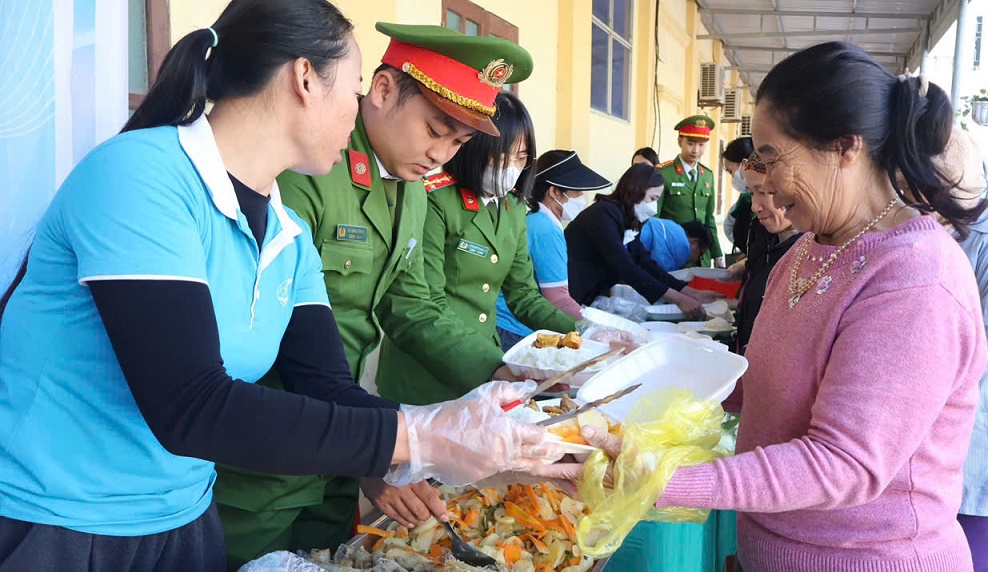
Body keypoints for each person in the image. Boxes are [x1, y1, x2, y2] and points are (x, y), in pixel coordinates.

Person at [0, 2, 570, 569]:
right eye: (352, 93)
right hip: (61, 524)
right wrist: (422, 437)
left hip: (182, 520)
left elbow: (324, 383)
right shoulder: (140, 177)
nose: (356, 116)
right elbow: (190, 406)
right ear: (304, 79)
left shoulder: (286, 230)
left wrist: (496, 444)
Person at [586, 42, 988, 571]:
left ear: (844, 148)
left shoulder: (914, 281)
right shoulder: (808, 250)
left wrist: (664, 477)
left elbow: (844, 463)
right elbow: (766, 386)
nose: (766, 184)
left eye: (773, 159)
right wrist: (646, 371)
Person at [211, 22, 536, 568]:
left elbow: (411, 306)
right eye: (435, 130)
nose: (440, 154)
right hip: (264, 453)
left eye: (457, 143)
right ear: (382, 90)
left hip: (345, 441)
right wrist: (373, 450)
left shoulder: (410, 189)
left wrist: (502, 370)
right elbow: (276, 330)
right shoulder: (305, 169)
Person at [375, 92, 578, 405]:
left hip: (487, 363)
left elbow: (523, 296)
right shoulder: (435, 200)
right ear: (472, 147)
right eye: (501, 158)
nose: (511, 168)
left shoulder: (512, 209)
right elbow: (425, 301)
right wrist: (491, 366)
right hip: (427, 368)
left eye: (521, 159)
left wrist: (582, 330)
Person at [933, 129, 988, 572]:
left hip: (983, 427)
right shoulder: (947, 237)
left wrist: (932, 378)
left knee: (978, 555)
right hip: (943, 429)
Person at [565, 163, 719, 317]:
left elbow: (645, 262)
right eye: (652, 198)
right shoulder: (603, 215)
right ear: (636, 190)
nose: (654, 207)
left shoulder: (626, 219)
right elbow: (625, 267)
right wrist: (679, 299)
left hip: (589, 295)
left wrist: (689, 292)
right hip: (572, 295)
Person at [495, 150, 612, 351]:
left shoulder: (533, 217)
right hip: (513, 325)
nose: (582, 199)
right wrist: (597, 329)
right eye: (577, 192)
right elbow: (558, 299)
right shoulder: (545, 228)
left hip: (503, 318)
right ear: (554, 192)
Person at [727, 153, 801, 355]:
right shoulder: (761, 231)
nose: (754, 206)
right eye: (751, 193)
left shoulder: (810, 250)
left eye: (764, 192)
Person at [656, 114, 725, 268]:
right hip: (674, 255)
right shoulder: (664, 174)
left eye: (701, 145)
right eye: (691, 143)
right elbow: (655, 218)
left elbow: (709, 219)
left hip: (702, 259)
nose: (696, 150)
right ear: (680, 141)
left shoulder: (707, 176)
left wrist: (717, 254)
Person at [638, 218, 713, 273]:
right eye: (700, 256)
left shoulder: (671, 227)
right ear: (694, 243)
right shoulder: (678, 248)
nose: (696, 260)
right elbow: (661, 279)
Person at [721, 137, 755, 253]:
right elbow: (729, 225)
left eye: (731, 172)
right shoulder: (745, 198)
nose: (757, 207)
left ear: (745, 164)